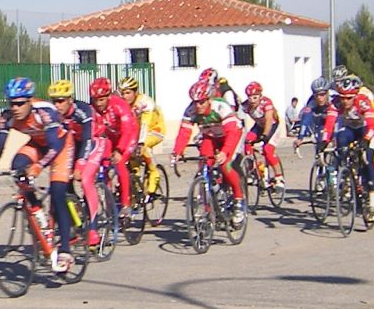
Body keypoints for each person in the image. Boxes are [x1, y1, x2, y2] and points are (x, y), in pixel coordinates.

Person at [0, 78, 75, 273]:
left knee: (58, 192)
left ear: (30, 101)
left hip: (60, 146)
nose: (15, 108)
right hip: (38, 144)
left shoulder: (44, 112)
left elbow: (54, 146)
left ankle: (65, 251)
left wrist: (38, 166)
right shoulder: (6, 117)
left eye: (20, 103)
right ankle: (36, 208)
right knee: (17, 167)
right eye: (12, 103)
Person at [171, 79, 248, 225]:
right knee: (203, 166)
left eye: (202, 102)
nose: (198, 106)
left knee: (225, 165)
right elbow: (184, 132)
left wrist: (225, 152)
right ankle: (207, 209)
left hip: (231, 134)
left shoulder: (220, 107)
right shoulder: (191, 110)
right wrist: (177, 152)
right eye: (195, 102)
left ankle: (239, 200)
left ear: (209, 99)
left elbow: (232, 132)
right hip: (210, 136)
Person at [47, 79, 101, 246]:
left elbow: (87, 139)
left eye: (61, 101)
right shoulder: (52, 115)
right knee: (60, 183)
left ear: (70, 99)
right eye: (54, 101)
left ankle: (93, 229)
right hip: (72, 146)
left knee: (85, 180)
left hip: (94, 142)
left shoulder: (83, 110)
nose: (57, 105)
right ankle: (72, 221)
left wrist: (80, 164)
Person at [323, 75, 374, 222]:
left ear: (355, 96)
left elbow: (372, 126)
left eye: (349, 98)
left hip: (366, 130)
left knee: (368, 159)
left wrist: (366, 140)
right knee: (341, 141)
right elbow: (329, 124)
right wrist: (324, 140)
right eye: (342, 97)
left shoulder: (363, 102)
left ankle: (373, 204)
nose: (345, 101)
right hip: (350, 129)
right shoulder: (336, 103)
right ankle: (347, 176)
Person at [88, 77, 138, 219]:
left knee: (119, 163)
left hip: (128, 135)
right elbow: (92, 131)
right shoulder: (92, 109)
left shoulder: (119, 105)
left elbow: (127, 130)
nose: (99, 104)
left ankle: (126, 205)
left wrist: (120, 150)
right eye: (95, 100)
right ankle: (110, 200)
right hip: (110, 137)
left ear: (109, 96)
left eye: (102, 100)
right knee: (103, 164)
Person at [118, 76, 166, 200]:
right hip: (138, 131)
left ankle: (154, 172)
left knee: (144, 148)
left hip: (155, 129)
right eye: (122, 93)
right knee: (131, 155)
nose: (125, 96)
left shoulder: (145, 102)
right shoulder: (123, 104)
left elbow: (145, 124)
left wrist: (141, 142)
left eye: (128, 93)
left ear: (136, 92)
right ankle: (136, 180)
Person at [241, 81, 285, 187]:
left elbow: (269, 120)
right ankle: (252, 170)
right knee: (247, 141)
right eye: (250, 97)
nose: (252, 100)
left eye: (255, 97)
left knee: (267, 150)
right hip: (259, 126)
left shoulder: (266, 103)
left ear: (260, 96)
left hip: (273, 126)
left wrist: (265, 135)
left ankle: (279, 177)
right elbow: (237, 118)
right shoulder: (246, 106)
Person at [294, 77, 333, 155]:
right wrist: (300, 137)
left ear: (328, 92)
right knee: (320, 140)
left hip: (334, 120)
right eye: (316, 95)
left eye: (322, 94)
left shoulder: (334, 98)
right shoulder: (312, 101)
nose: (319, 98)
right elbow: (305, 120)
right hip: (321, 122)